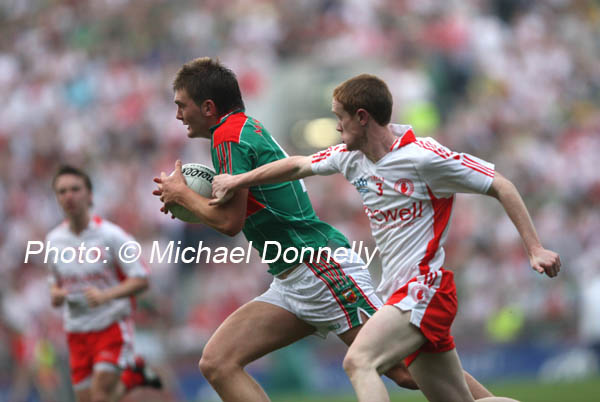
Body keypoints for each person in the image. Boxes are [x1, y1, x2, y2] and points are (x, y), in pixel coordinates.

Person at [153, 57, 494, 401]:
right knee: (217, 361)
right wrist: (188, 201)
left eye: (182, 105)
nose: (178, 114)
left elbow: (229, 222)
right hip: (292, 277)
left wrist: (183, 195)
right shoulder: (244, 127)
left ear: (208, 107)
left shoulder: (228, 135)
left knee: (404, 368)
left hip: (319, 267)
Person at [210, 73, 561, 402]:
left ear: (362, 117)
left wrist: (535, 248)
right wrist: (238, 181)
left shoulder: (423, 157)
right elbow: (297, 165)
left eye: (340, 117)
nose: (336, 125)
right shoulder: (350, 157)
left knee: (359, 362)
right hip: (399, 293)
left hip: (425, 289)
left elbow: (501, 185)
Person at [47, 165, 161, 402]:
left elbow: (142, 279)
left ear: (89, 195)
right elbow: (54, 284)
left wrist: (106, 296)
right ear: (57, 198)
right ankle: (133, 377)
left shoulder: (112, 235)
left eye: (75, 189)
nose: (69, 196)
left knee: (100, 395)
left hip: (111, 325)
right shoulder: (53, 240)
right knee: (88, 399)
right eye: (62, 191)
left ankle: (131, 376)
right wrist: (56, 294)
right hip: (77, 331)